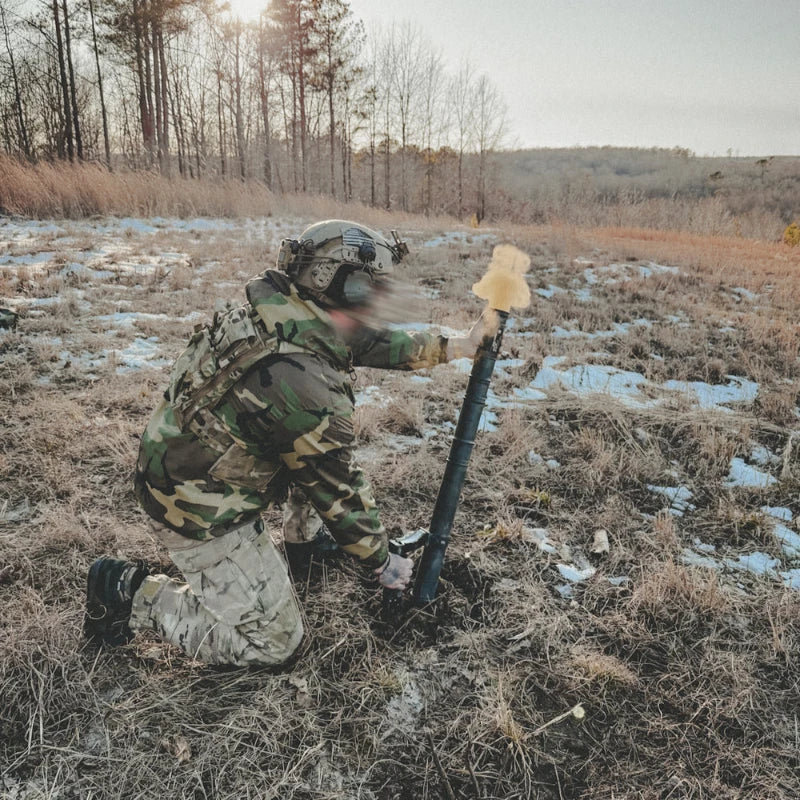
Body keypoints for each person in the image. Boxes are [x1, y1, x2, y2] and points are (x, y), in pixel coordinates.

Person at [85, 220, 481, 666]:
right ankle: (126, 591)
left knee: (305, 451)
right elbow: (340, 491)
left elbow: (361, 343)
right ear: (344, 287)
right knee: (277, 644)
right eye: (372, 288)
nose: (379, 300)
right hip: (196, 508)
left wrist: (458, 346)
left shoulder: (284, 311)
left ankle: (303, 547)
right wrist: (382, 562)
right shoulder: (305, 390)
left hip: (189, 462)